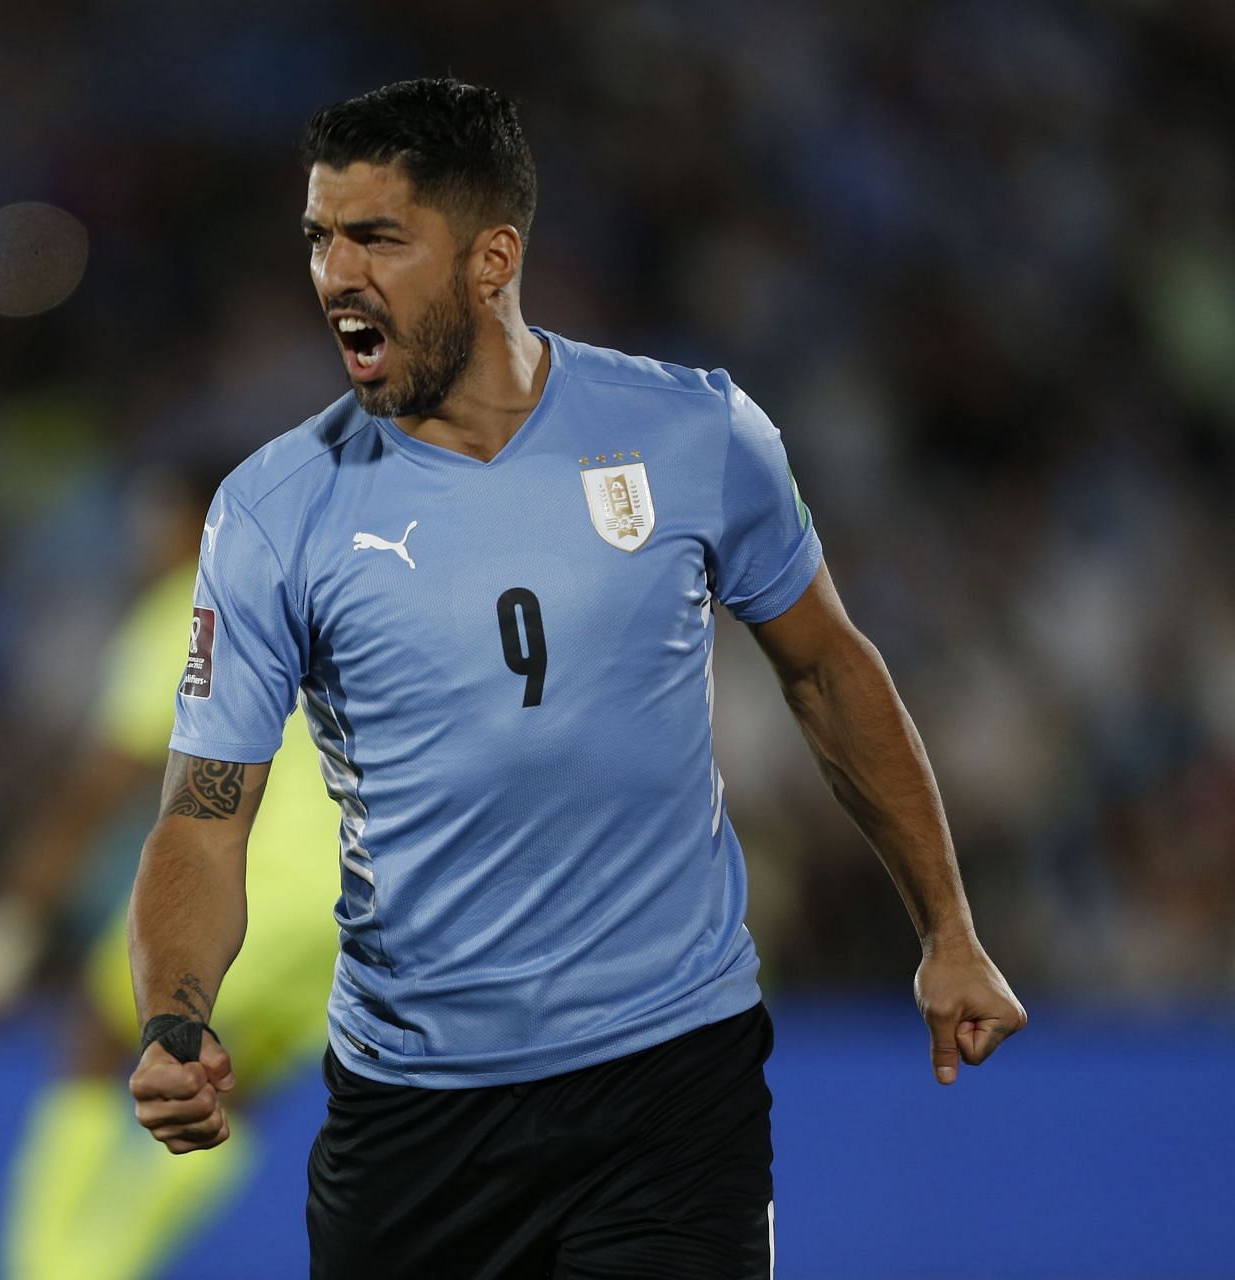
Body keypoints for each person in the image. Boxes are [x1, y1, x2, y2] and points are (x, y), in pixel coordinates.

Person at [125, 78, 1026, 1277]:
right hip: (417, 1116)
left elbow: (826, 670)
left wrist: (948, 928)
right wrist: (176, 1018)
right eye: (319, 238)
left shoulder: (693, 433)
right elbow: (201, 811)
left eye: (377, 236)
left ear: (493, 258)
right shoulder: (274, 512)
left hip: (669, 1085)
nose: (336, 273)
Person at [0, 468, 342, 1280]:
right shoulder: (322, 599)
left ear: (201, 519)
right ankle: (105, 1266)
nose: (143, 538)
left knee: (97, 1033)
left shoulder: (192, 604)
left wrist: (12, 915)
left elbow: (102, 787)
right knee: (228, 1094)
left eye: (155, 517)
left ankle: (48, 1270)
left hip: (251, 896)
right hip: (355, 914)